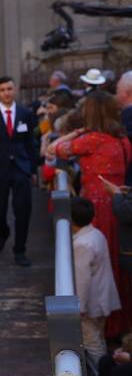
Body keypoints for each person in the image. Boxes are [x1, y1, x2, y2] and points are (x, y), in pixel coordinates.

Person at [50, 91, 132, 338]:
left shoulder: (92, 140)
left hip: (96, 205)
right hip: (117, 201)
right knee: (116, 265)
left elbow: (54, 149)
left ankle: (98, 323)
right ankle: (120, 324)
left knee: (94, 265)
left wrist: (75, 132)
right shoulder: (122, 140)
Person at [0, 76, 38, 267]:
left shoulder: (25, 113)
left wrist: (33, 169)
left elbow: (31, 143)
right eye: (2, 89)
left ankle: (20, 249)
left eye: (9, 89)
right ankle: (3, 232)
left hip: (21, 168)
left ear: (15, 90)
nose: (6, 92)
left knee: (23, 211)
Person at [70, 197, 120, 376]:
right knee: (98, 339)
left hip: (91, 304)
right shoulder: (97, 234)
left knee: (92, 344)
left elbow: (82, 279)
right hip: (102, 298)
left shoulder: (81, 244)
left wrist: (79, 307)